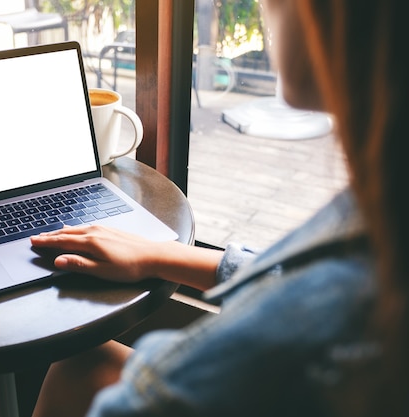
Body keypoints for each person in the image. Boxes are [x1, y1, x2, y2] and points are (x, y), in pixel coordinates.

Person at [29, 0, 409, 416]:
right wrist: (159, 253)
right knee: (79, 366)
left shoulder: (320, 322)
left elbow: (140, 402)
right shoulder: (380, 214)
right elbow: (289, 277)